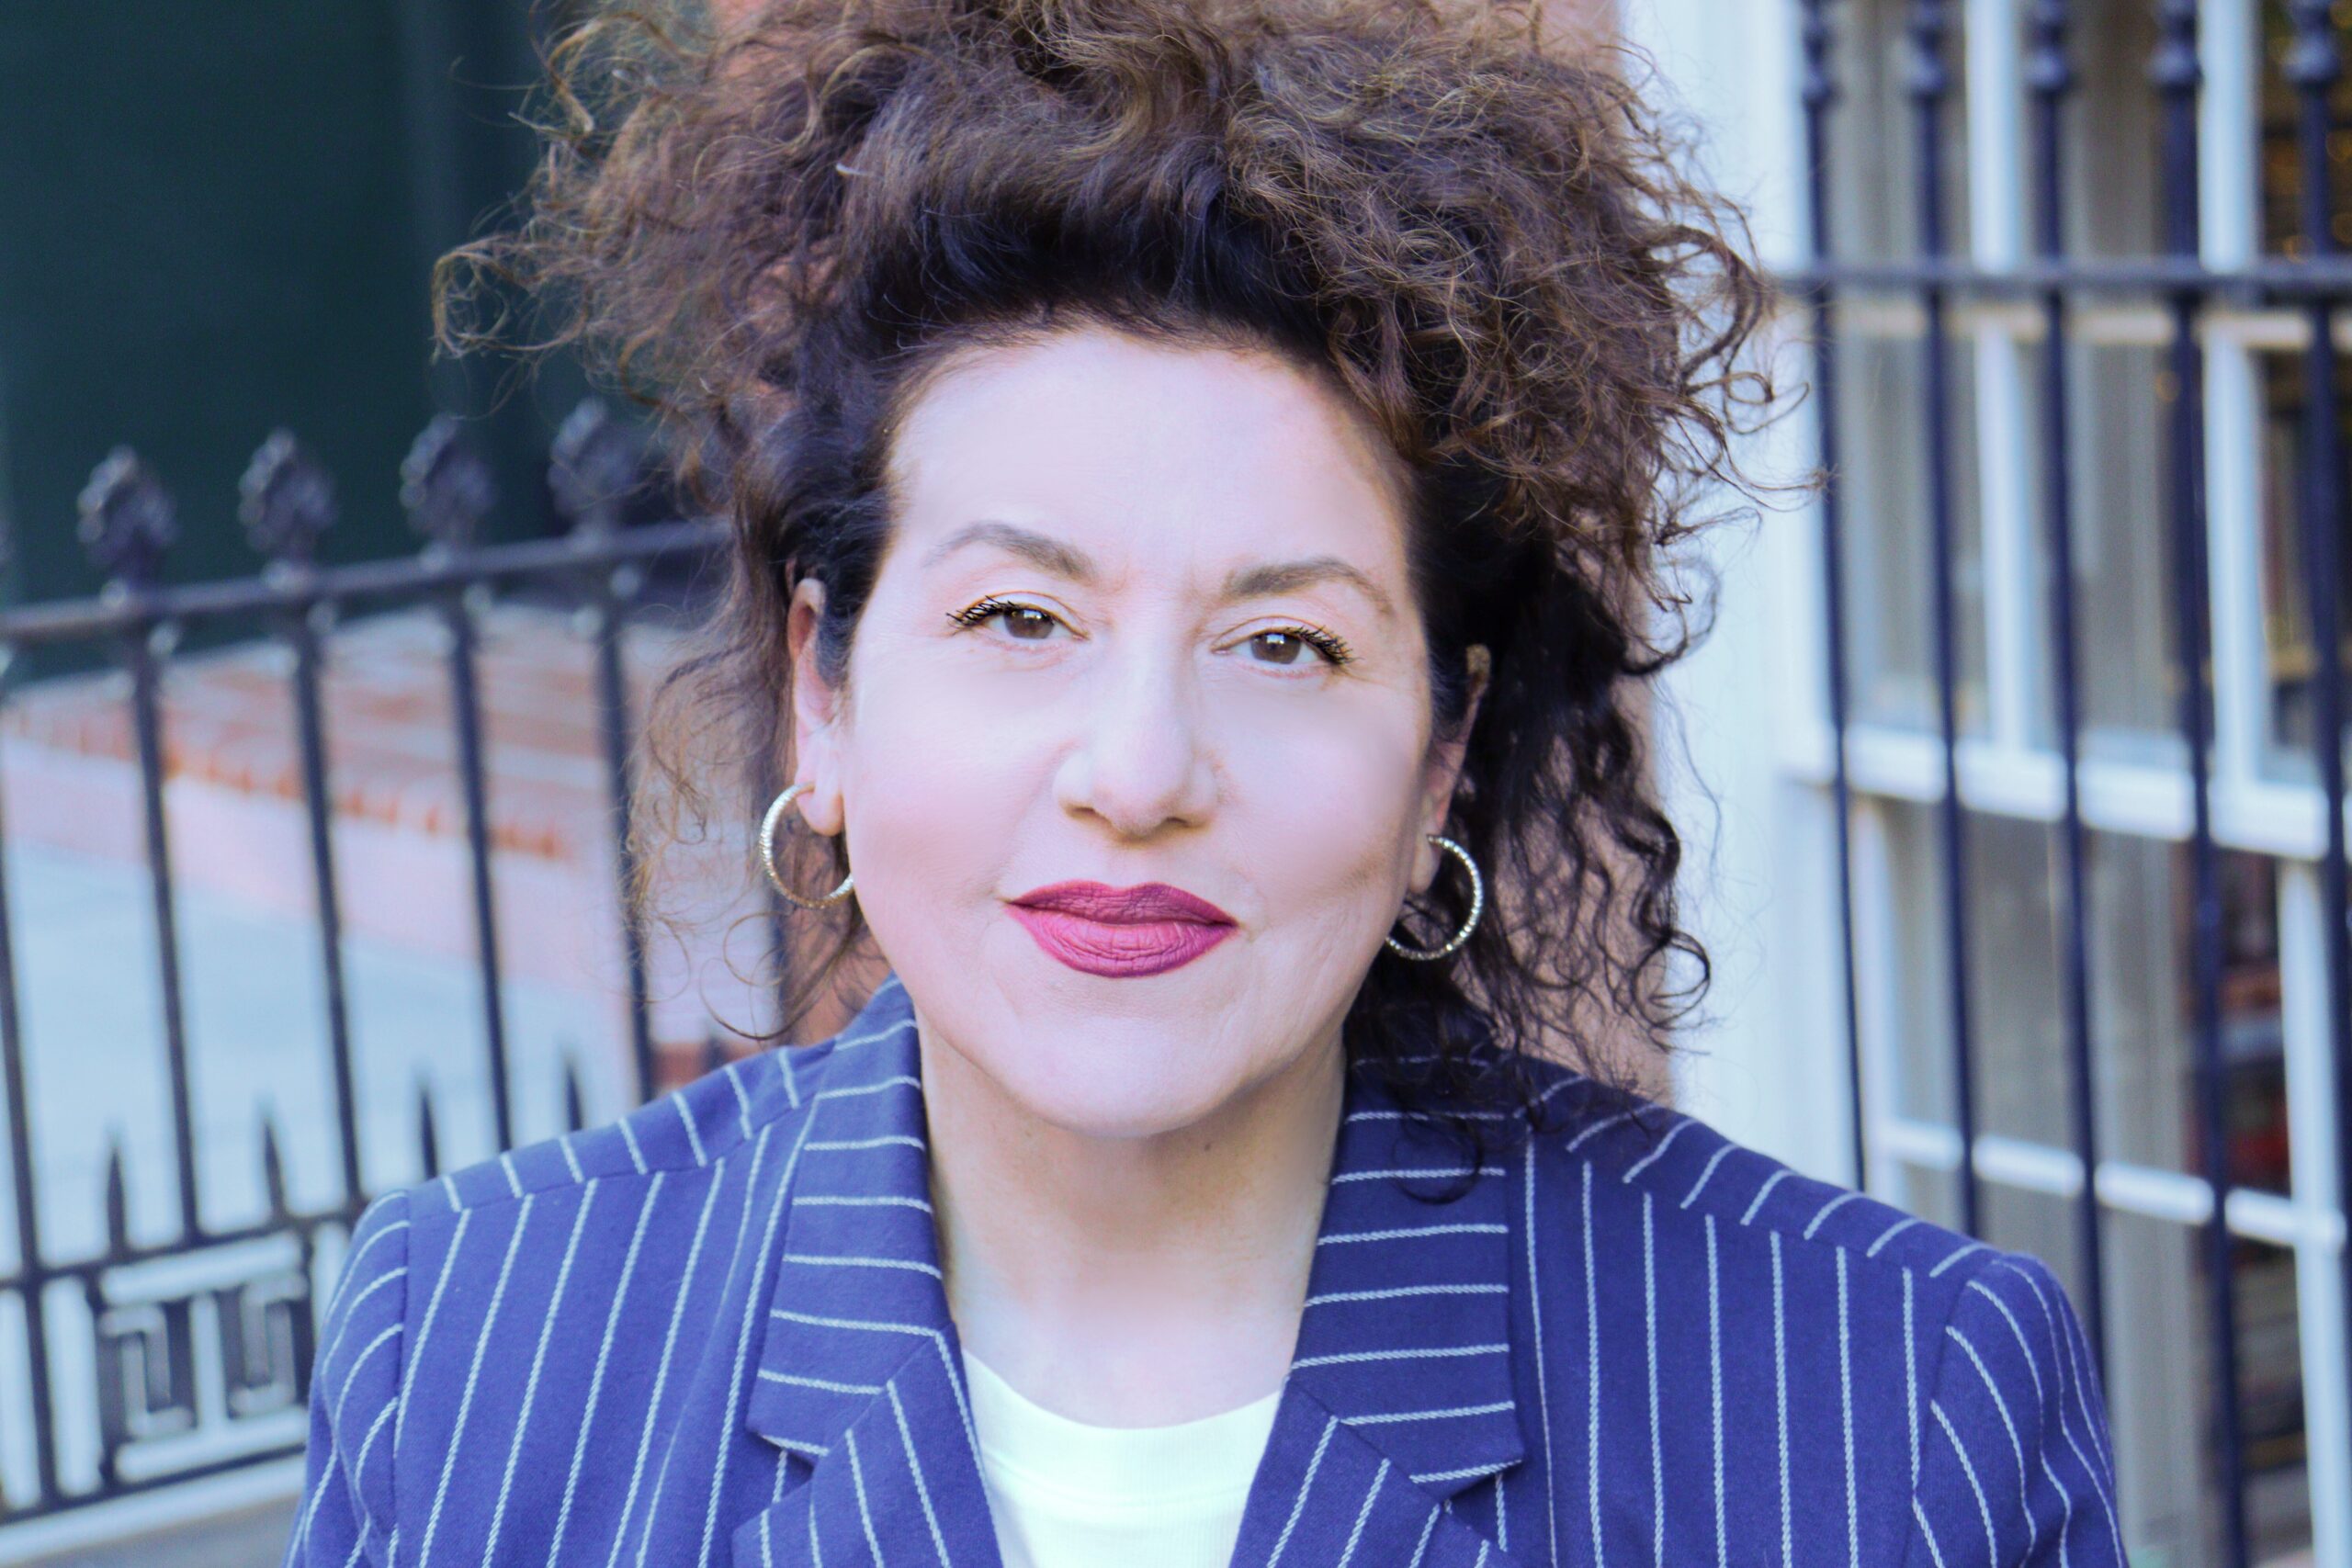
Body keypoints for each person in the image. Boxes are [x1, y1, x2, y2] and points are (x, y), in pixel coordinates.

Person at [283, 0, 2123, 1563]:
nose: (1139, 770)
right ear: (822, 695)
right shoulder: (469, 1352)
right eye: (1017, 614)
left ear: (1437, 762)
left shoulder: (1890, 1409)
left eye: (1283, 644)